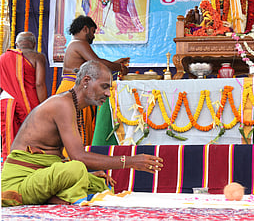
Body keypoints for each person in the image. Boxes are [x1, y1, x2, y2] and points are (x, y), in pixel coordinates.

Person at [1, 60, 164, 206]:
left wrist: (89, 174)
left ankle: (55, 198)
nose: (108, 94)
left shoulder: (72, 106)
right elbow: (78, 157)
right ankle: (38, 198)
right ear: (86, 81)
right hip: (20, 182)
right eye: (104, 86)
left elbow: (59, 157)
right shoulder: (62, 104)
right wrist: (130, 161)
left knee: (99, 182)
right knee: (77, 169)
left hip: (42, 175)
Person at [57, 15, 129, 145]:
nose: (93, 36)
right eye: (93, 32)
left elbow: (96, 63)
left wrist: (115, 64)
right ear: (85, 29)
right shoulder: (79, 43)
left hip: (72, 87)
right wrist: (120, 67)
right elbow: (97, 63)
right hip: (75, 89)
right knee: (79, 128)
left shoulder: (75, 44)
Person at [1, 32, 47, 160]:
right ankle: (27, 165)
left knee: (9, 136)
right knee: (31, 136)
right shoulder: (37, 57)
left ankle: (8, 165)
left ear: (16, 44)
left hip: (6, 100)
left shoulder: (3, 57)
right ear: (33, 44)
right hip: (29, 102)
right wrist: (45, 106)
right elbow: (39, 84)